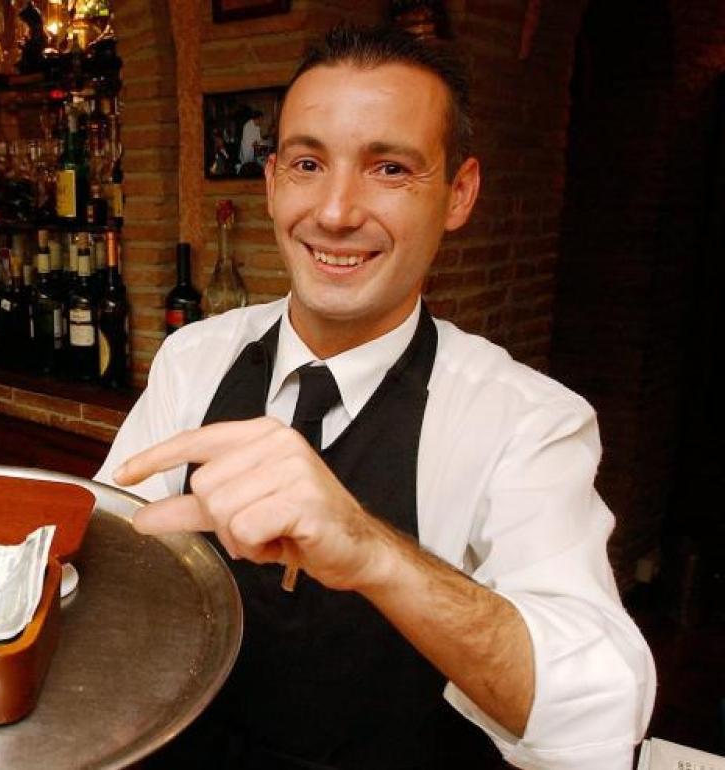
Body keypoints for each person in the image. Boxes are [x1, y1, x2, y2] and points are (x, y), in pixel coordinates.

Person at [96, 23, 655, 770]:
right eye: (306, 163)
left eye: (389, 169)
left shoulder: (527, 422)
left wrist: (370, 551)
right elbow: (104, 555)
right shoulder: (195, 358)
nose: (334, 212)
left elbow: (597, 705)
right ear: (271, 184)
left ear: (459, 194)